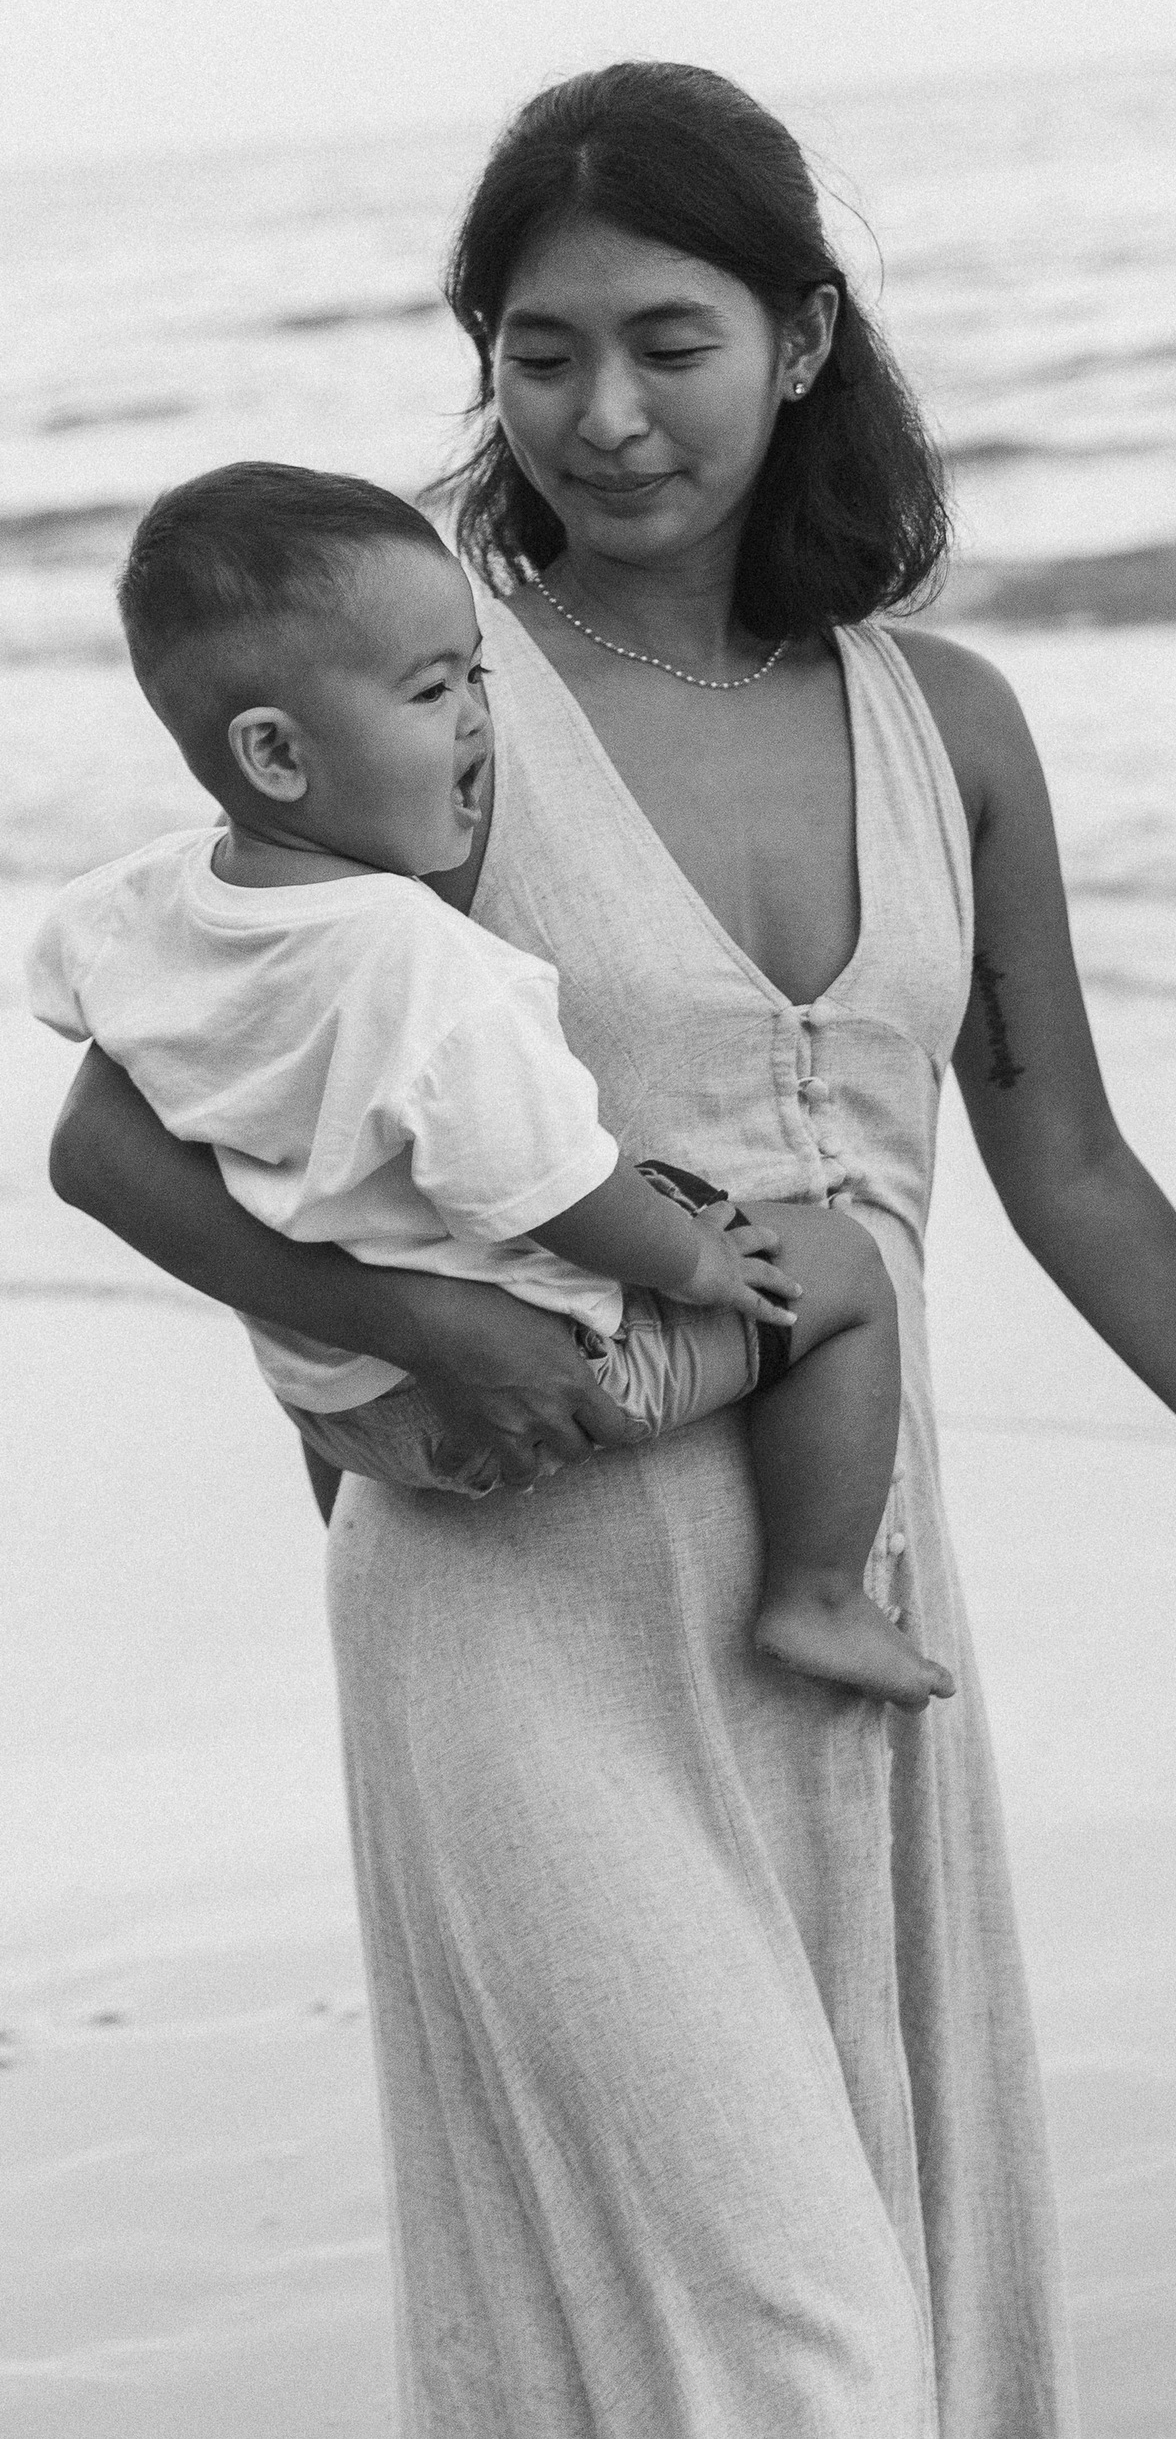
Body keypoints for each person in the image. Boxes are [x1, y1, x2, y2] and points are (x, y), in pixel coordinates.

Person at [49, 59, 1176, 2438]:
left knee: (885, 2306)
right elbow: (133, 1129)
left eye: (665, 340)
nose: (602, 413)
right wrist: (389, 1333)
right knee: (786, 2349)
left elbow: (1056, 1162)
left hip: (845, 1577)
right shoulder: (428, 710)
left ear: (802, 340)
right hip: (518, 1588)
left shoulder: (942, 715)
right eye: (539, 354)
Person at [33, 460, 954, 1706]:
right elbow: (551, 1186)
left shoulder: (148, 901)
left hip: (331, 1401)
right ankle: (818, 1595)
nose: (477, 716)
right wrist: (691, 1262)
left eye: (475, 672)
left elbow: (82, 1009)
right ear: (277, 753)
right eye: (430, 689)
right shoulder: (426, 961)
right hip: (539, 1372)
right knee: (842, 1274)